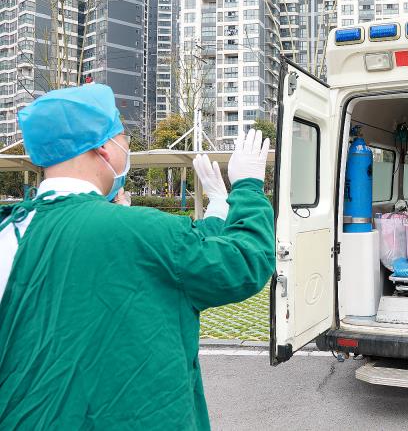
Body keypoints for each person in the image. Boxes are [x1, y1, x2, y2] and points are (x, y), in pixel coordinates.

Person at [0, 84, 275, 429]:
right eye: (123, 136)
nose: (127, 146)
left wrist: (218, 206)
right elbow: (243, 262)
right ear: (104, 147)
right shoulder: (146, 231)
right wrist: (247, 187)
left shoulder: (9, 232)